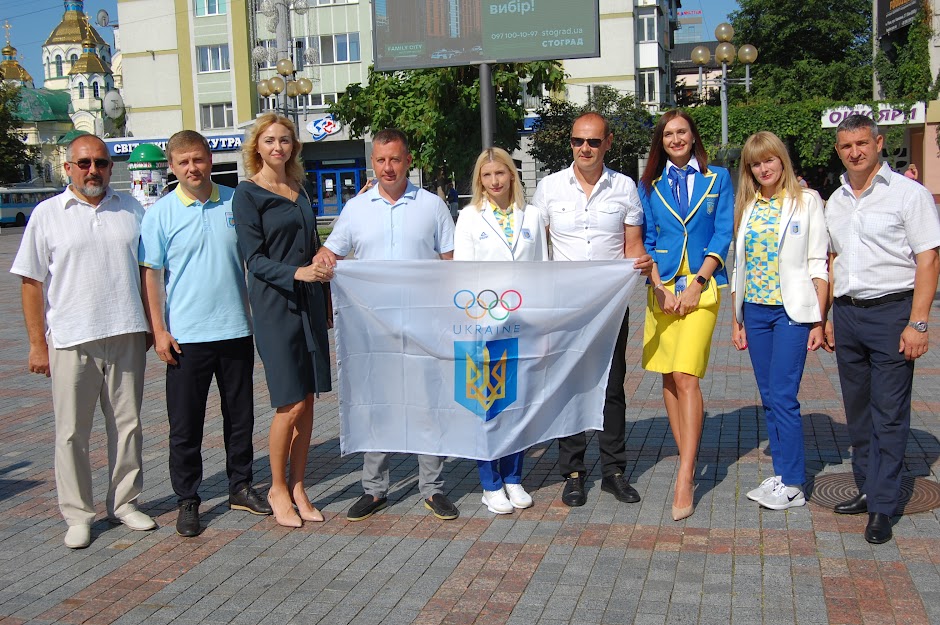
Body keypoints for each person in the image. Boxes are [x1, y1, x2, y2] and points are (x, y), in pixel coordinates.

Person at [10, 135, 156, 548]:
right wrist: (38, 344)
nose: (94, 171)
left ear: (112, 167)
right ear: (69, 168)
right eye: (85, 163)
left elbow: (148, 271)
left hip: (126, 332)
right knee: (72, 431)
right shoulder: (47, 214)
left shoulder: (131, 208)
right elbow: (31, 282)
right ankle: (77, 513)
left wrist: (151, 325)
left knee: (128, 426)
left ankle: (125, 502)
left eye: (102, 163)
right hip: (72, 338)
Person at [313, 128, 459, 522]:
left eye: (395, 159)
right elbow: (329, 252)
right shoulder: (356, 209)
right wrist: (323, 263)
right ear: (372, 163)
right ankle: (375, 490)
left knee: (429, 406)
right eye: (380, 160)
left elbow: (451, 264)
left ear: (408, 160)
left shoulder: (432, 206)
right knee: (378, 407)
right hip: (372, 329)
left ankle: (433, 489)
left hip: (425, 326)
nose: (388, 167)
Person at [139, 131, 272, 538]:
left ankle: (240, 485)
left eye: (198, 159)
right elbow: (152, 275)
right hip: (185, 337)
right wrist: (159, 331)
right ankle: (188, 499)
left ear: (210, 159)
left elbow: (257, 259)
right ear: (173, 167)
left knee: (240, 418)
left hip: (234, 329)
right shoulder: (160, 213)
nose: (193, 168)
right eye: (183, 162)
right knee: (185, 426)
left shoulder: (236, 200)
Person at [824, 115, 940, 544]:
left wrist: (919, 321)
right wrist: (831, 317)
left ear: (878, 143)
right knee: (858, 412)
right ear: (839, 150)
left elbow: (928, 259)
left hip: (893, 313)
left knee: (889, 414)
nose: (854, 152)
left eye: (861, 143)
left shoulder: (909, 195)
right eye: (846, 146)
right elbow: (834, 260)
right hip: (849, 315)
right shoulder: (834, 200)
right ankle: (866, 487)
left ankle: (884, 505)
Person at [531, 111, 652, 508]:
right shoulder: (548, 189)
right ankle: (573, 473)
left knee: (612, 387)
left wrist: (647, 266)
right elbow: (537, 248)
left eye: (594, 142)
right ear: (570, 143)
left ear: (608, 143)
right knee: (569, 386)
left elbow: (632, 245)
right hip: (564, 307)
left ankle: (614, 471)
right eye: (578, 141)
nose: (585, 148)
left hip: (609, 305)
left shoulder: (624, 187)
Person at [233, 113, 333, 528]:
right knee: (289, 402)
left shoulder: (299, 189)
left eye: (285, 140)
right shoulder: (247, 194)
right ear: (257, 146)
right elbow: (253, 260)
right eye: (270, 140)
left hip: (309, 300)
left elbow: (309, 242)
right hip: (276, 306)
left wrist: (322, 255)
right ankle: (276, 487)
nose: (278, 147)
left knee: (309, 401)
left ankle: (298, 487)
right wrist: (297, 273)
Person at [638, 109, 733, 521]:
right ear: (661, 141)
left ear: (694, 137)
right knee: (667, 374)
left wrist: (696, 284)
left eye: (682, 132)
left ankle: (686, 472)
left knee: (686, 375)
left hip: (702, 286)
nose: (676, 139)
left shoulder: (719, 179)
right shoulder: (650, 185)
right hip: (662, 288)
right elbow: (647, 238)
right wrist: (658, 288)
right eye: (668, 134)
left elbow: (723, 231)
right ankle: (686, 457)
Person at [730, 131, 828, 512]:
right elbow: (740, 266)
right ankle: (782, 473)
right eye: (755, 163)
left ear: (782, 160)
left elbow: (819, 263)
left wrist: (819, 320)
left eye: (769, 160)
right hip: (755, 310)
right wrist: (736, 318)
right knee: (770, 397)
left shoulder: (806, 202)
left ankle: (794, 482)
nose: (763, 168)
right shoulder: (749, 204)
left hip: (791, 312)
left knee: (784, 397)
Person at [453, 147, 547, 514]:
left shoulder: (533, 216)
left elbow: (542, 269)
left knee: (518, 404)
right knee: (486, 404)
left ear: (512, 175)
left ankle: (513, 477)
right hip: (482, 325)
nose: (494, 181)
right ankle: (490, 483)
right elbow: (462, 275)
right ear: (480, 180)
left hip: (524, 323)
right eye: (487, 175)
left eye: (501, 174)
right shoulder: (469, 217)